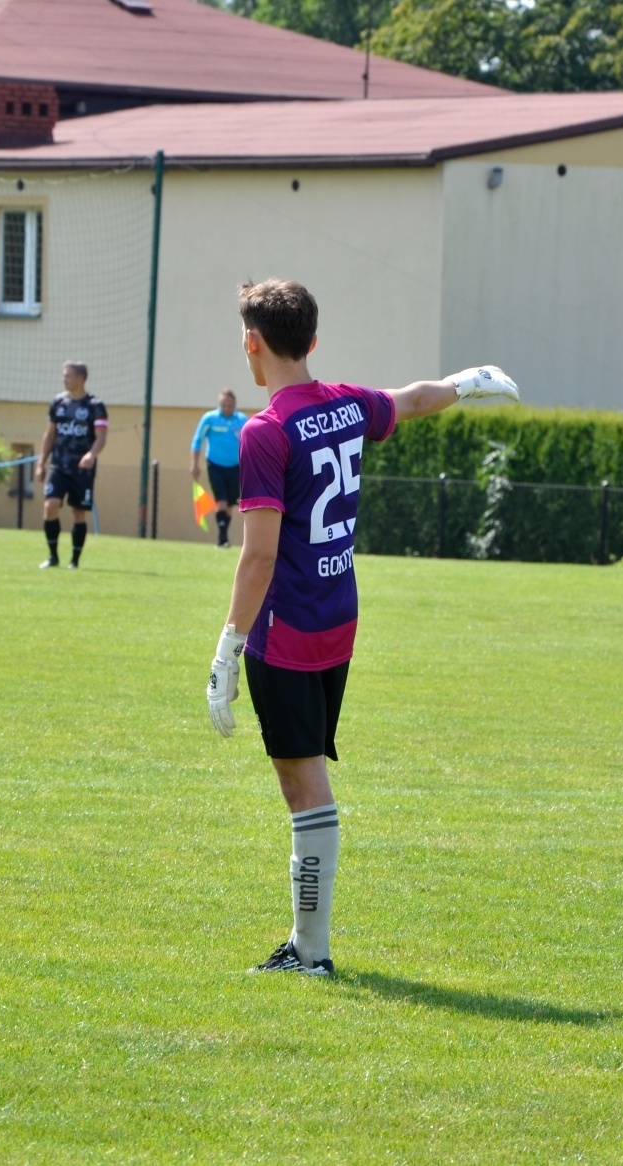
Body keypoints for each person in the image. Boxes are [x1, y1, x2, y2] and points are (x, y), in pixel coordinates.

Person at [204, 278, 519, 976]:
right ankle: (306, 946)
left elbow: (258, 555)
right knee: (306, 776)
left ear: (252, 343)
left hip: (286, 631)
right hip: (337, 619)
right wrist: (466, 382)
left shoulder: (265, 431)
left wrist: (227, 649)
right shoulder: (346, 404)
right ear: (312, 341)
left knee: (303, 785)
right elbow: (413, 400)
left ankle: (310, 951)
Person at [35, 361, 108, 569]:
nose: (64, 379)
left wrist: (91, 455)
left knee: (78, 512)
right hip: (59, 465)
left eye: (68, 375)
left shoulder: (95, 406)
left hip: (82, 469)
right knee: (50, 506)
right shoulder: (58, 402)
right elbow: (50, 435)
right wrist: (41, 462)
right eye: (64, 375)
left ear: (80, 379)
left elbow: (101, 437)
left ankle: (74, 561)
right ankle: (53, 556)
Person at [191, 389, 247, 548]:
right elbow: (197, 440)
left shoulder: (242, 420)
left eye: (230, 405)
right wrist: (194, 463)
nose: (227, 408)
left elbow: (249, 443)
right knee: (221, 501)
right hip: (215, 465)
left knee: (229, 504)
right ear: (219, 404)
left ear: (234, 404)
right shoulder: (209, 419)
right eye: (224, 405)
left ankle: (224, 537)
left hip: (236, 467)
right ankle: (222, 538)